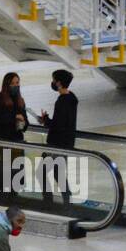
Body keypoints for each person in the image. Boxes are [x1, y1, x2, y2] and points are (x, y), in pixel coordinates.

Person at [0, 72, 29, 193]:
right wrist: (15, 118)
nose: (16, 86)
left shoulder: (20, 101)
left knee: (14, 175)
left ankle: (12, 196)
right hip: (1, 142)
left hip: (16, 142)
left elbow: (25, 123)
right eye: (13, 83)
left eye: (17, 83)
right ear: (7, 84)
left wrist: (23, 122)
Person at [39, 69, 78, 200]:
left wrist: (46, 121)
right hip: (66, 142)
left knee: (42, 172)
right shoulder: (72, 98)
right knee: (58, 173)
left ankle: (48, 201)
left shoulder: (62, 101)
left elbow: (58, 124)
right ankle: (67, 200)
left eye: (54, 80)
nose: (53, 82)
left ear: (59, 83)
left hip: (56, 143)